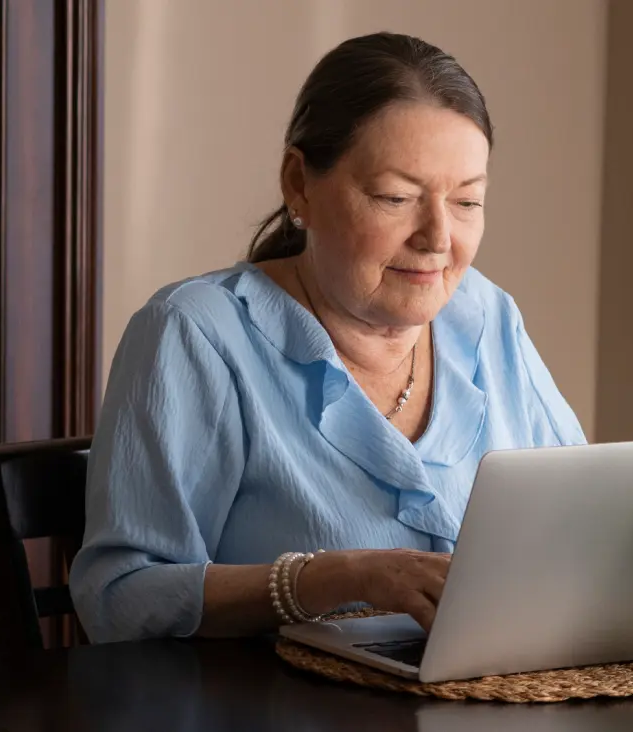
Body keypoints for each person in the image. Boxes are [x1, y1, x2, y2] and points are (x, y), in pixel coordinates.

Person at [70, 31, 585, 644]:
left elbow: (587, 523)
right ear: (299, 184)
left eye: (468, 202)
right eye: (396, 198)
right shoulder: (195, 333)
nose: (438, 238)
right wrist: (338, 576)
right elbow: (118, 599)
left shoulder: (488, 315)